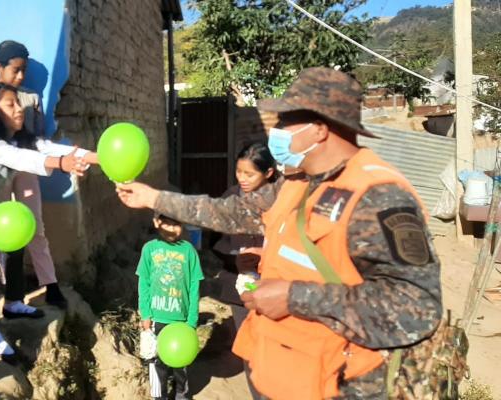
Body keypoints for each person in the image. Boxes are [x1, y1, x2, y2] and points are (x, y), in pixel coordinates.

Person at [116, 67, 442, 399]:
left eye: (286, 122)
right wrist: (154, 198)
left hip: (340, 383)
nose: (278, 131)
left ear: (319, 129)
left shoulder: (377, 195)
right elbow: (230, 213)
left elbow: (415, 308)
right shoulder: (296, 183)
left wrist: (293, 296)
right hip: (284, 369)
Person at [0, 83, 94, 360]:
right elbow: (20, 158)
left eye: (18, 102)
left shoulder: (17, 139)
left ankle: (12, 303)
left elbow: (48, 147)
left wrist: (97, 157)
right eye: (10, 104)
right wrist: (61, 165)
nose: (19, 108)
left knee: (16, 244)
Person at [0, 40, 96, 309]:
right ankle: (7, 290)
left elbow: (35, 142)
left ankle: (47, 284)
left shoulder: (29, 97)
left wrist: (86, 157)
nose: (21, 76)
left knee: (34, 224)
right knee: (1, 230)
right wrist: (61, 162)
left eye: (24, 70)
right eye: (16, 70)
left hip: (28, 165)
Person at [210, 142, 280, 331]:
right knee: (245, 341)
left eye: (249, 174)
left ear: (268, 173)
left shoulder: (282, 201)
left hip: (273, 285)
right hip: (239, 284)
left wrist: (266, 255)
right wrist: (235, 259)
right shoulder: (230, 198)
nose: (242, 178)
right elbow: (216, 240)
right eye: (239, 172)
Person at [138, 213, 202, 400]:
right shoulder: (149, 249)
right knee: (157, 362)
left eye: (176, 224)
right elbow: (144, 284)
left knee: (180, 364)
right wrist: (146, 314)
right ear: (157, 222)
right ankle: (160, 396)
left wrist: (191, 320)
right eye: (167, 224)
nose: (172, 229)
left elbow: (193, 287)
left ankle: (182, 394)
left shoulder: (189, 251)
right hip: (157, 318)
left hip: (181, 321)